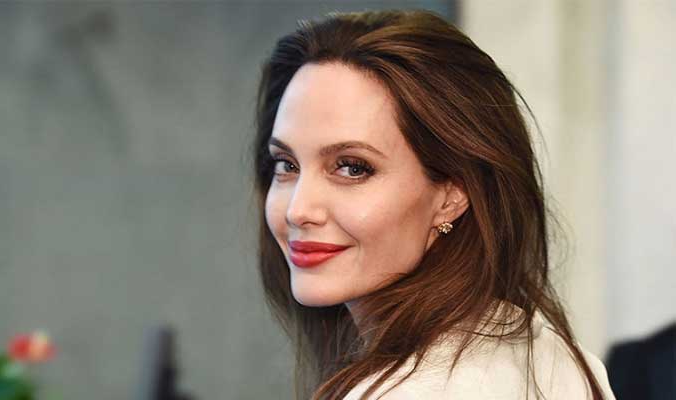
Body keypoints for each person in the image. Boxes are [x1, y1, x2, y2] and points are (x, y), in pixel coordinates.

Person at [250, 9, 616, 400]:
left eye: (353, 168)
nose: (298, 210)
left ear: (452, 194)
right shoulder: (555, 358)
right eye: (286, 165)